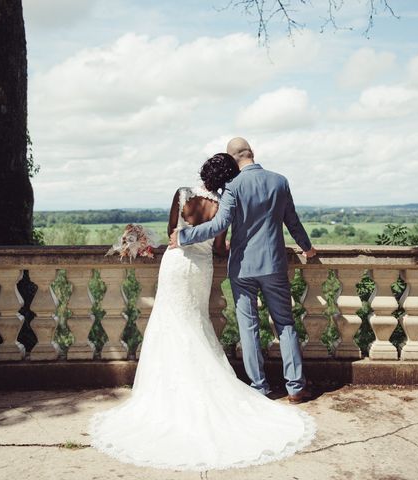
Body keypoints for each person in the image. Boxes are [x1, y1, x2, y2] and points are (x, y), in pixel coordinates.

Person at [88, 153, 316, 471]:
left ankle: (166, 390)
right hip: (201, 269)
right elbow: (220, 245)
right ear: (226, 178)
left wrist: (164, 239)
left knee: (169, 321)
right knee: (196, 321)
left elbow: (171, 231)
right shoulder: (223, 204)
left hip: (175, 264)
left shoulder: (182, 193)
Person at [169, 137, 317, 403]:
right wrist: (307, 248)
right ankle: (295, 387)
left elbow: (218, 226)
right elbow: (292, 222)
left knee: (248, 328)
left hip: (242, 267)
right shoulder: (280, 181)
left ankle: (259, 388)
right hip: (273, 264)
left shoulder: (233, 187)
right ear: (252, 153)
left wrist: (183, 237)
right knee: (284, 324)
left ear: (233, 159)